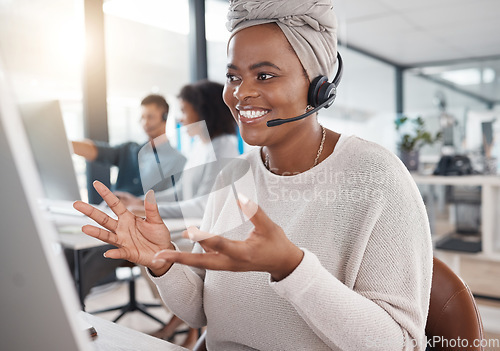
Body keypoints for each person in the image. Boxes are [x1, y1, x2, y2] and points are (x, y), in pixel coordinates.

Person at [74, 1, 433, 350]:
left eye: (264, 75)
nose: (241, 93)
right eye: (233, 76)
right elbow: (200, 309)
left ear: (319, 86)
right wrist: (163, 260)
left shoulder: (376, 176)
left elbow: (401, 344)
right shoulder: (232, 176)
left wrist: (293, 270)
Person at [72, 94, 186, 197]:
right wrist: (66, 145)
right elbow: (96, 151)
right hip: (112, 211)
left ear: (165, 117)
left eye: (150, 117)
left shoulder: (177, 161)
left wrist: (136, 203)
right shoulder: (129, 150)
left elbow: (173, 200)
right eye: (142, 117)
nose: (145, 123)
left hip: (142, 215)